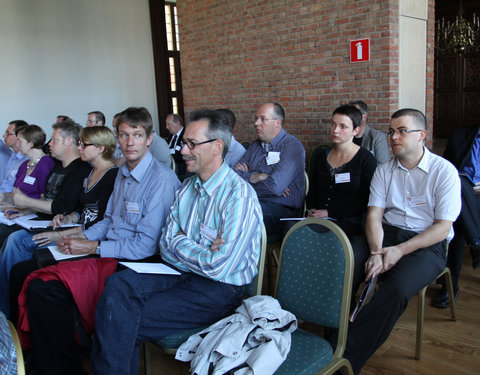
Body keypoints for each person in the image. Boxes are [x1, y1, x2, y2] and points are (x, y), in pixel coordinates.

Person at [90, 109, 263, 375]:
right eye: (184, 142)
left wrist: (181, 241)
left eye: (191, 144)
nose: (182, 150)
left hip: (217, 289)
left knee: (120, 316)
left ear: (217, 147)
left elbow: (218, 267)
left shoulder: (238, 196)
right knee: (117, 284)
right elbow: (165, 245)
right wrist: (197, 248)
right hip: (179, 273)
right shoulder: (187, 188)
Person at [17, 107, 180, 375]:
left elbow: (144, 247)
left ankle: (61, 364)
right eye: (124, 135)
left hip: (134, 261)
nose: (130, 143)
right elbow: (108, 220)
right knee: (31, 271)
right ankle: (52, 357)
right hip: (108, 249)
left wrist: (91, 247)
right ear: (116, 138)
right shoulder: (123, 174)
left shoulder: (161, 180)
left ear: (150, 138)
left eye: (137, 135)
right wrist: (79, 235)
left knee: (44, 288)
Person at [338, 109, 461, 374]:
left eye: (402, 131)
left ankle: (345, 359)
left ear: (422, 136)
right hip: (384, 235)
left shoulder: (444, 172)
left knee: (396, 289)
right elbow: (373, 215)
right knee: (343, 263)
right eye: (391, 131)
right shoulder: (384, 170)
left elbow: (442, 228)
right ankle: (332, 336)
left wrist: (398, 252)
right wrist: (376, 251)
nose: (394, 137)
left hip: (426, 243)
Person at [5, 126, 119, 320]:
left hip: (88, 237)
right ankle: (15, 318)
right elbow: (83, 210)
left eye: (84, 144)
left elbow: (101, 221)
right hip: (75, 229)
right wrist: (68, 218)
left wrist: (60, 234)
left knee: (21, 249)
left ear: (100, 148)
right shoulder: (90, 173)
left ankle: (14, 317)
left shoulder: (112, 176)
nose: (79, 147)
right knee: (18, 257)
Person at [0, 120, 91, 317]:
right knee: (11, 240)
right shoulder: (58, 167)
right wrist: (23, 210)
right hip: (44, 220)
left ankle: (8, 312)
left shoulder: (79, 170)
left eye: (55, 140)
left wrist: (25, 202)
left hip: (65, 228)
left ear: (68, 142)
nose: (49, 143)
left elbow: (61, 207)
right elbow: (46, 199)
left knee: (14, 241)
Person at [235, 102, 305, 236]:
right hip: (255, 203)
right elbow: (233, 176)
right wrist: (256, 176)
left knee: (239, 213)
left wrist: (246, 179)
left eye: (262, 119)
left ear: (277, 122)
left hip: (283, 211)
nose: (256, 123)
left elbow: (275, 186)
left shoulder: (291, 145)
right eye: (255, 118)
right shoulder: (255, 146)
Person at [306, 105, 377, 237]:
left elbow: (367, 200)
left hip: (348, 220)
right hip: (318, 218)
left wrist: (330, 212)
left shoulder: (366, 160)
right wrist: (311, 210)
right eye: (333, 124)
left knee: (321, 235)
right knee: (291, 229)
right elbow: (312, 191)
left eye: (343, 126)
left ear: (355, 131)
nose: (335, 130)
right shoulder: (321, 157)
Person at [432, 122, 480, 308]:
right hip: (460, 194)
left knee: (456, 219)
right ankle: (476, 242)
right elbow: (445, 166)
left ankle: (449, 287)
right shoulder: (461, 133)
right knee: (455, 216)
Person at [12, 125, 55, 199]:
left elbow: (44, 198)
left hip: (35, 210)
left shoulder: (45, 163)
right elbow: (16, 193)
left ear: (31, 143)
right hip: (20, 209)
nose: (17, 144)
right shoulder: (24, 165)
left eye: (20, 141)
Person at [348, 100, 390, 164]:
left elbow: (383, 165)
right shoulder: (346, 137)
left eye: (354, 115)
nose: (350, 118)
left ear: (364, 117)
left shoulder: (378, 137)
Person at [0, 120, 29, 203]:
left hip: (12, 202)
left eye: (8, 134)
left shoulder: (27, 160)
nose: (4, 136)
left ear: (19, 136)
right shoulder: (11, 156)